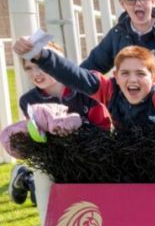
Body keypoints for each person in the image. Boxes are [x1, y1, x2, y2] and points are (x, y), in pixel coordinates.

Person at [7, 43, 111, 206]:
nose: (36, 74)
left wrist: (77, 127)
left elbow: (103, 129)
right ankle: (27, 178)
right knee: (43, 199)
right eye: (29, 68)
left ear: (57, 63)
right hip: (58, 161)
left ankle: (27, 177)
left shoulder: (85, 90)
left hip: (93, 157)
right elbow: (40, 140)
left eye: (40, 66)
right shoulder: (28, 101)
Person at [13, 39, 155, 129]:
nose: (133, 79)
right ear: (116, 76)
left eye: (140, 73)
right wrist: (41, 56)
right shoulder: (109, 90)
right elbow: (74, 75)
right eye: (125, 73)